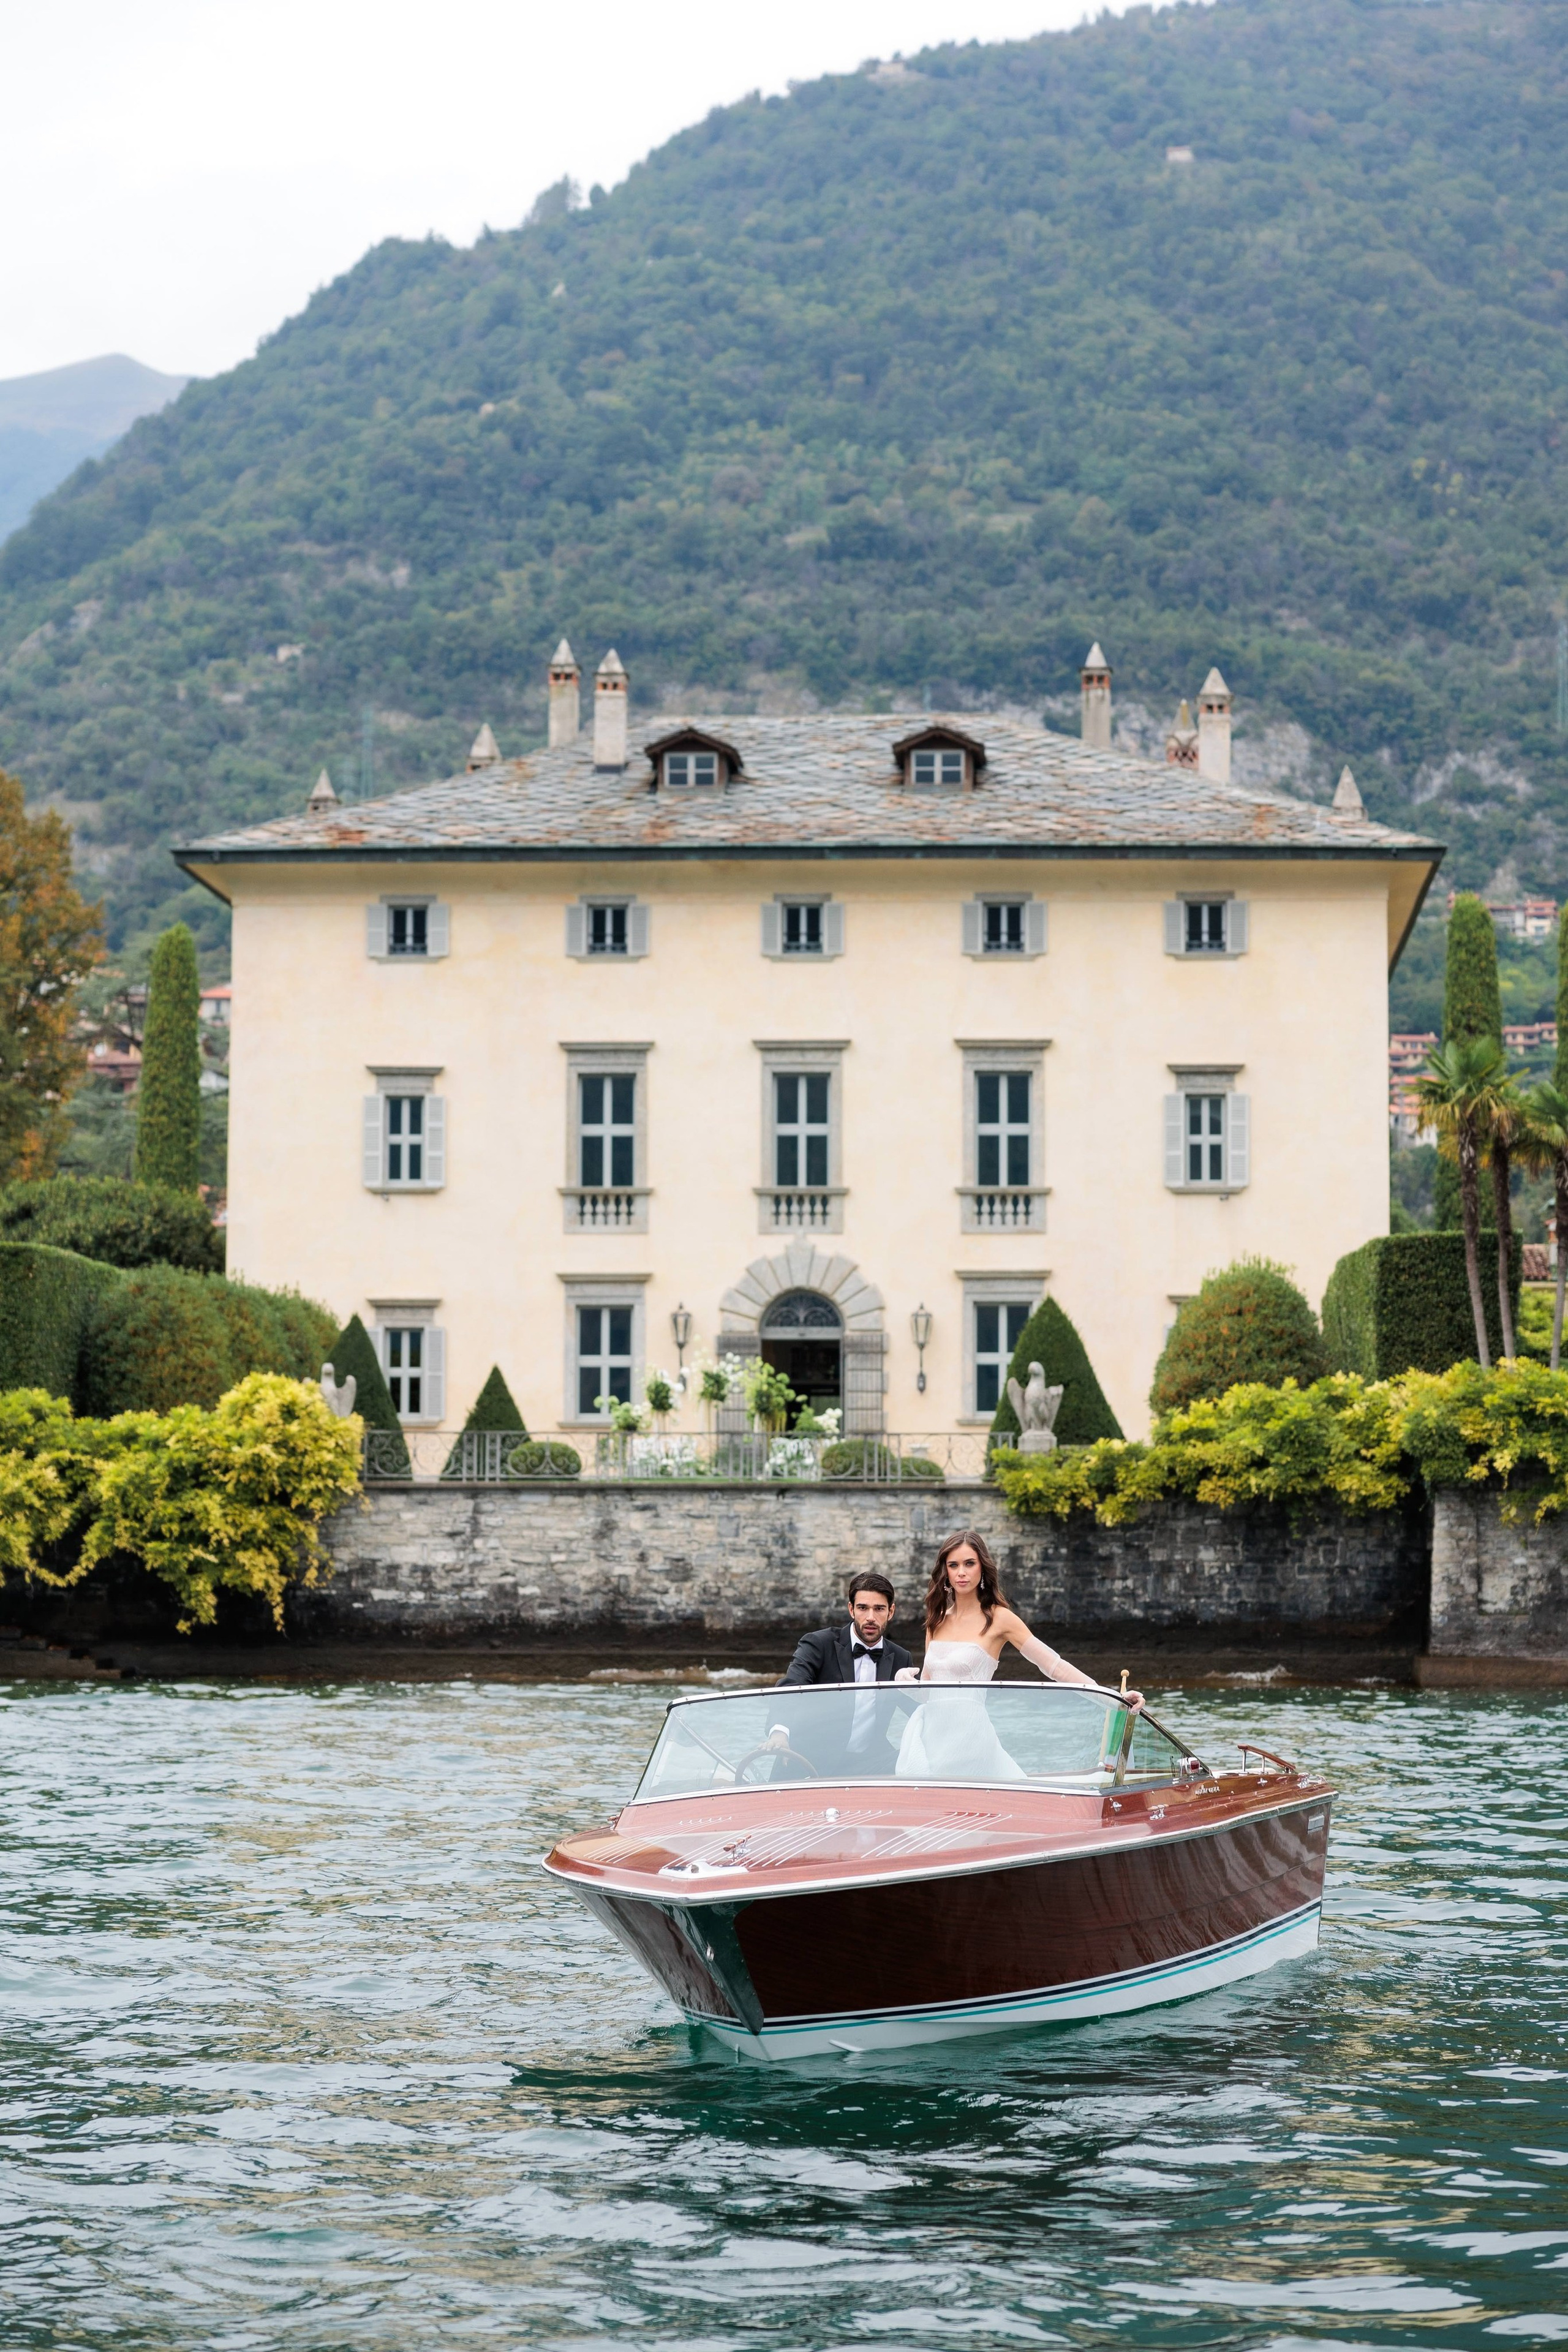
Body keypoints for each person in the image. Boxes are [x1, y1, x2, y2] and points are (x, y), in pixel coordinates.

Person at [894, 1529, 1142, 1779]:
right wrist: (905, 1683)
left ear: (982, 1568)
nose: (961, 1573)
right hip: (932, 1739)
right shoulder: (936, 1622)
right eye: (953, 1565)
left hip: (970, 1740)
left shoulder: (1000, 1619)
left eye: (969, 1564)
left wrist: (1114, 1699)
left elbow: (1055, 1666)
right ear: (945, 1571)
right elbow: (928, 1692)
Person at [764, 1574, 914, 1775]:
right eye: (863, 1608)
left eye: (879, 1609)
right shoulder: (818, 1644)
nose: (871, 1617)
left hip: (867, 1764)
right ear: (851, 1609)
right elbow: (791, 1687)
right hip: (808, 1759)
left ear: (891, 1611)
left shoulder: (901, 1658)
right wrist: (780, 1732)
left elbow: (919, 1711)